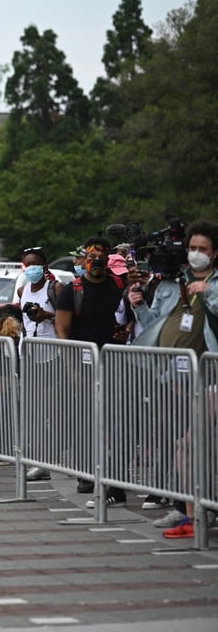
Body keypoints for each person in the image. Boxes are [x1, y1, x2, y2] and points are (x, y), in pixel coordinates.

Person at [129, 219, 218, 538]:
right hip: (177, 378)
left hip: (210, 377)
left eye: (202, 249)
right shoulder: (174, 283)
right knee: (185, 446)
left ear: (214, 253)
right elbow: (158, 322)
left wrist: (209, 294)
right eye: (192, 248)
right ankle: (189, 512)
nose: (196, 254)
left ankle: (198, 512)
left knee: (195, 447)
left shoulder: (214, 285)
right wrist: (138, 307)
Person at [54, 236, 127, 502]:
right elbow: (61, 329)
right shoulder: (72, 290)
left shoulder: (118, 285)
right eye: (91, 257)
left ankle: (114, 481)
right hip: (82, 364)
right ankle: (86, 473)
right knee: (84, 421)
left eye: (101, 257)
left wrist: (125, 331)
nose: (95, 261)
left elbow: (127, 317)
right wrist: (71, 367)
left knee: (115, 422)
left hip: (114, 363)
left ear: (108, 259)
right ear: (84, 259)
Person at [16, 247, 63, 340]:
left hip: (50, 345)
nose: (31, 268)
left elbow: (67, 317)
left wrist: (46, 315)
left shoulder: (56, 288)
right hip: (27, 345)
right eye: (27, 265)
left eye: (35, 264)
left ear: (44, 266)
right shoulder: (21, 291)